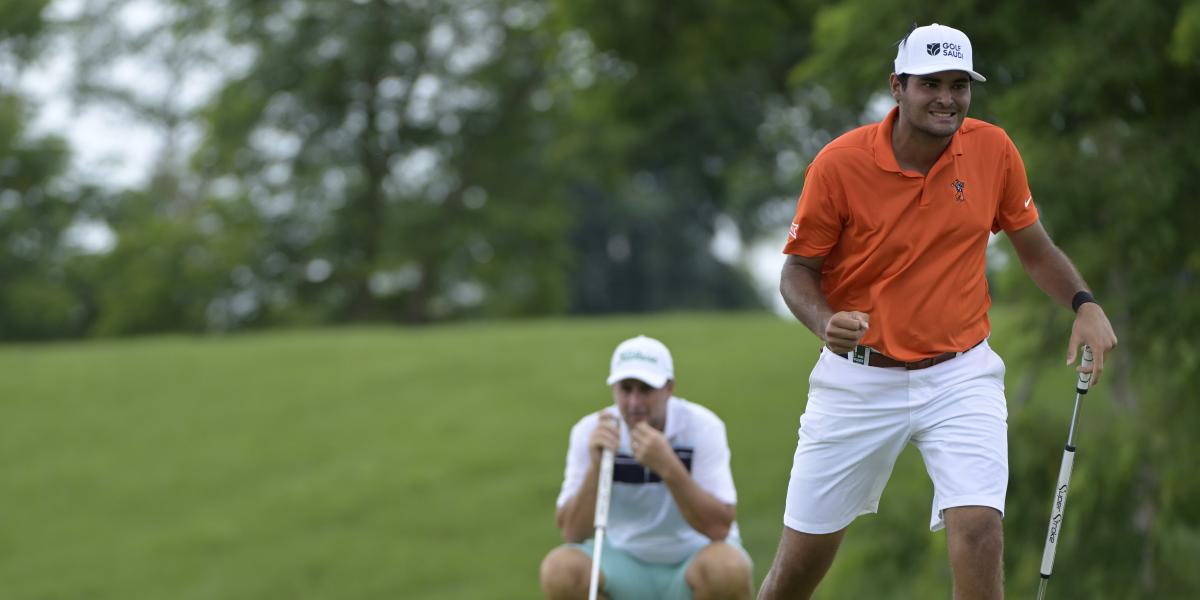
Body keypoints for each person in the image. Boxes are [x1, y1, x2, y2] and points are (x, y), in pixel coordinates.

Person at [757, 23, 1119, 600]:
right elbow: (797, 271)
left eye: (959, 85)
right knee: (798, 567)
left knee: (979, 529)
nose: (947, 98)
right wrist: (825, 322)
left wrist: (1084, 302)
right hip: (858, 380)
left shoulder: (992, 149)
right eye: (931, 84)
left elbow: (1036, 248)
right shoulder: (838, 164)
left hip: (960, 373)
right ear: (897, 87)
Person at [540, 335, 754, 600]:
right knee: (560, 570)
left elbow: (719, 527)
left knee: (729, 569)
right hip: (623, 559)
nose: (634, 402)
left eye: (645, 389)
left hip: (693, 557)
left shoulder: (702, 426)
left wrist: (669, 466)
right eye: (625, 388)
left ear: (669, 388)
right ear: (614, 389)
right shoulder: (591, 431)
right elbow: (572, 532)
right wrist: (596, 467)